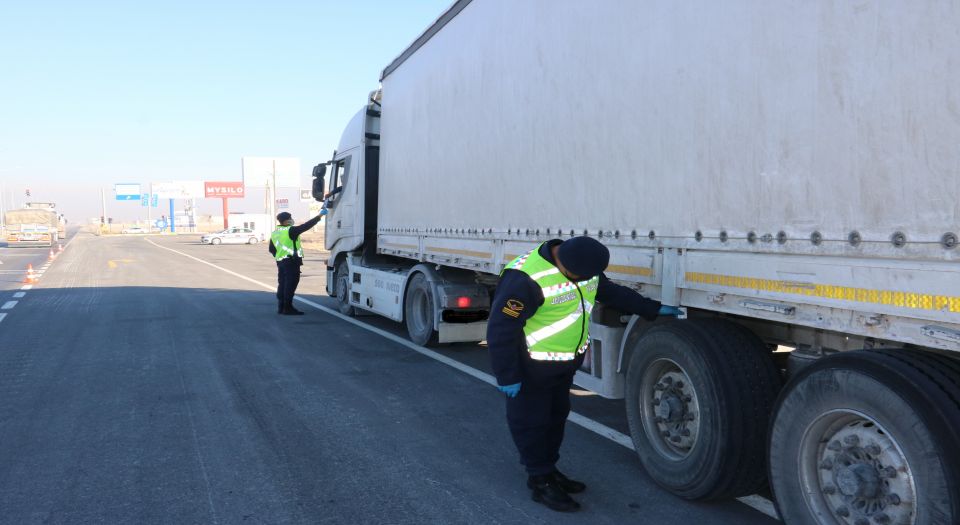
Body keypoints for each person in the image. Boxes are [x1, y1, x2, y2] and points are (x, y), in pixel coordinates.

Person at [488, 236, 681, 512]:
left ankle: (549, 469)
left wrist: (651, 308)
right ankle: (539, 480)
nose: (586, 281)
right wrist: (507, 375)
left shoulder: (583, 266)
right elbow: (500, 330)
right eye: (580, 277)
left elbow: (611, 292)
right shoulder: (524, 279)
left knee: (555, 418)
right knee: (531, 424)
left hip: (563, 366)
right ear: (564, 263)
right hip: (530, 369)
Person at [269, 210, 326, 315]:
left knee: (282, 283)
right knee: (290, 284)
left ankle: (281, 307)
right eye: (290, 218)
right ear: (286, 221)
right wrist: (319, 216)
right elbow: (306, 226)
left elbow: (272, 249)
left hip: (280, 262)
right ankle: (288, 308)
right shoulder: (291, 230)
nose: (292, 220)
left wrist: (280, 256)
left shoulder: (275, 233)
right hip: (291, 262)